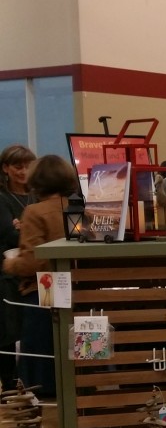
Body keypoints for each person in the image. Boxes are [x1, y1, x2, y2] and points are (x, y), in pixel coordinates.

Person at [2, 155, 79, 397]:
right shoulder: (78, 207)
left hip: (45, 291)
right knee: (80, 360)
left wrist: (10, 265)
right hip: (79, 290)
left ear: (38, 180)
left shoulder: (34, 212)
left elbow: (33, 262)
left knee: (43, 371)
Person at [0, 145, 35, 391]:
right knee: (8, 332)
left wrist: (22, 228)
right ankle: (9, 384)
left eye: (27, 166)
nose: (23, 172)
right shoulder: (2, 198)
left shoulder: (38, 194)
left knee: (33, 328)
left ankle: (32, 381)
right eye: (17, 166)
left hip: (36, 273)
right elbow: (7, 235)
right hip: (9, 274)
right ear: (5, 168)